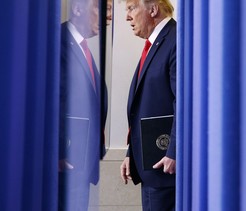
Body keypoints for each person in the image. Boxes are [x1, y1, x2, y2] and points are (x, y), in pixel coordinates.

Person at [120, 0, 176, 210]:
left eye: (131, 8)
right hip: (151, 164)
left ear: (153, 9)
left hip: (165, 166)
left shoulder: (175, 39)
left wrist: (174, 152)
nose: (127, 17)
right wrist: (131, 154)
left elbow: (182, 102)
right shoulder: (157, 43)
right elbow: (144, 108)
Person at [59, 0, 107, 210]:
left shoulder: (84, 47)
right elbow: (51, 102)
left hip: (82, 163)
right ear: (78, 9)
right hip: (64, 164)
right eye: (101, 8)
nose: (109, 16)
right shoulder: (57, 42)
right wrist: (57, 151)